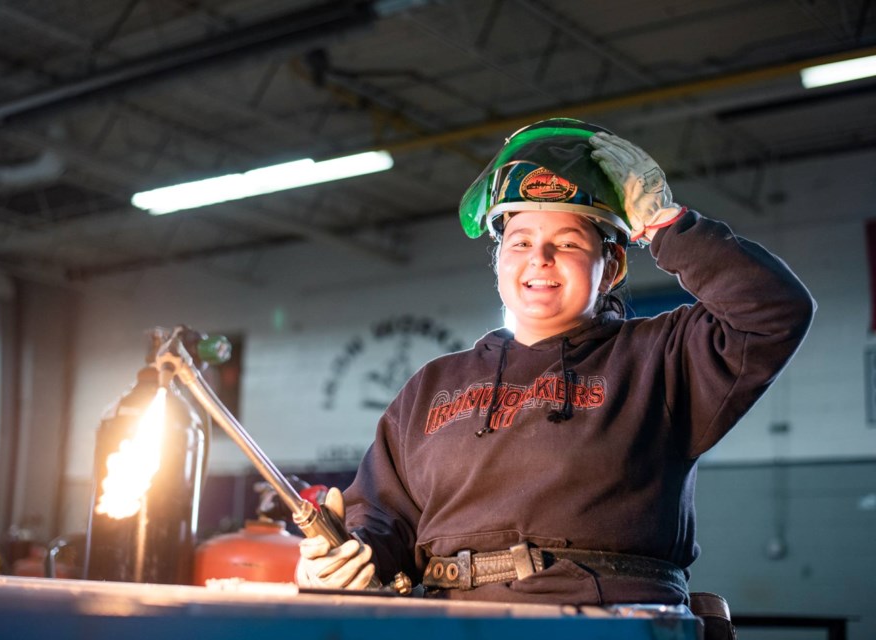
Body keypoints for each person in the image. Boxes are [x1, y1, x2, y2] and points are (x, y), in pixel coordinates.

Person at [295, 118, 815, 609]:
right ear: (498, 261)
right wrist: (344, 559)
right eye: (520, 242)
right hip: (447, 622)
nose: (539, 258)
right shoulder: (432, 386)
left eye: (566, 243)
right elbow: (382, 519)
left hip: (607, 626)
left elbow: (775, 310)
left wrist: (666, 224)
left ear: (610, 266)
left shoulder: (664, 357)